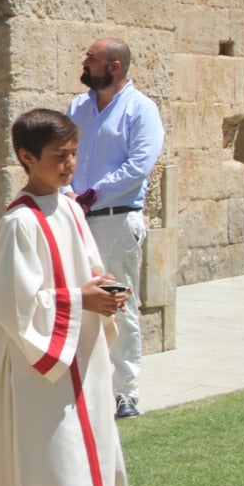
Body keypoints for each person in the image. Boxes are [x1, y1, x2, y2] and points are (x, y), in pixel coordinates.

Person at [0, 108, 130, 486]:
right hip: (39, 370)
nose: (69, 165)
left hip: (77, 357)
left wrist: (107, 289)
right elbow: (16, 306)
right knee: (48, 463)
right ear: (26, 158)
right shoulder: (19, 223)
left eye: (73, 154)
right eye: (57, 157)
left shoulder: (67, 208)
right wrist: (79, 300)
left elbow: (87, 268)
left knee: (77, 462)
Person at [68, 38, 164, 419]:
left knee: (118, 303)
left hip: (116, 219)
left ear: (115, 66)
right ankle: (81, 386)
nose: (84, 62)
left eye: (91, 58)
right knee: (79, 299)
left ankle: (126, 391)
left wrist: (92, 194)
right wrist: (65, 195)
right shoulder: (78, 107)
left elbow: (139, 165)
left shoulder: (141, 110)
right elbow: (65, 154)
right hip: (77, 217)